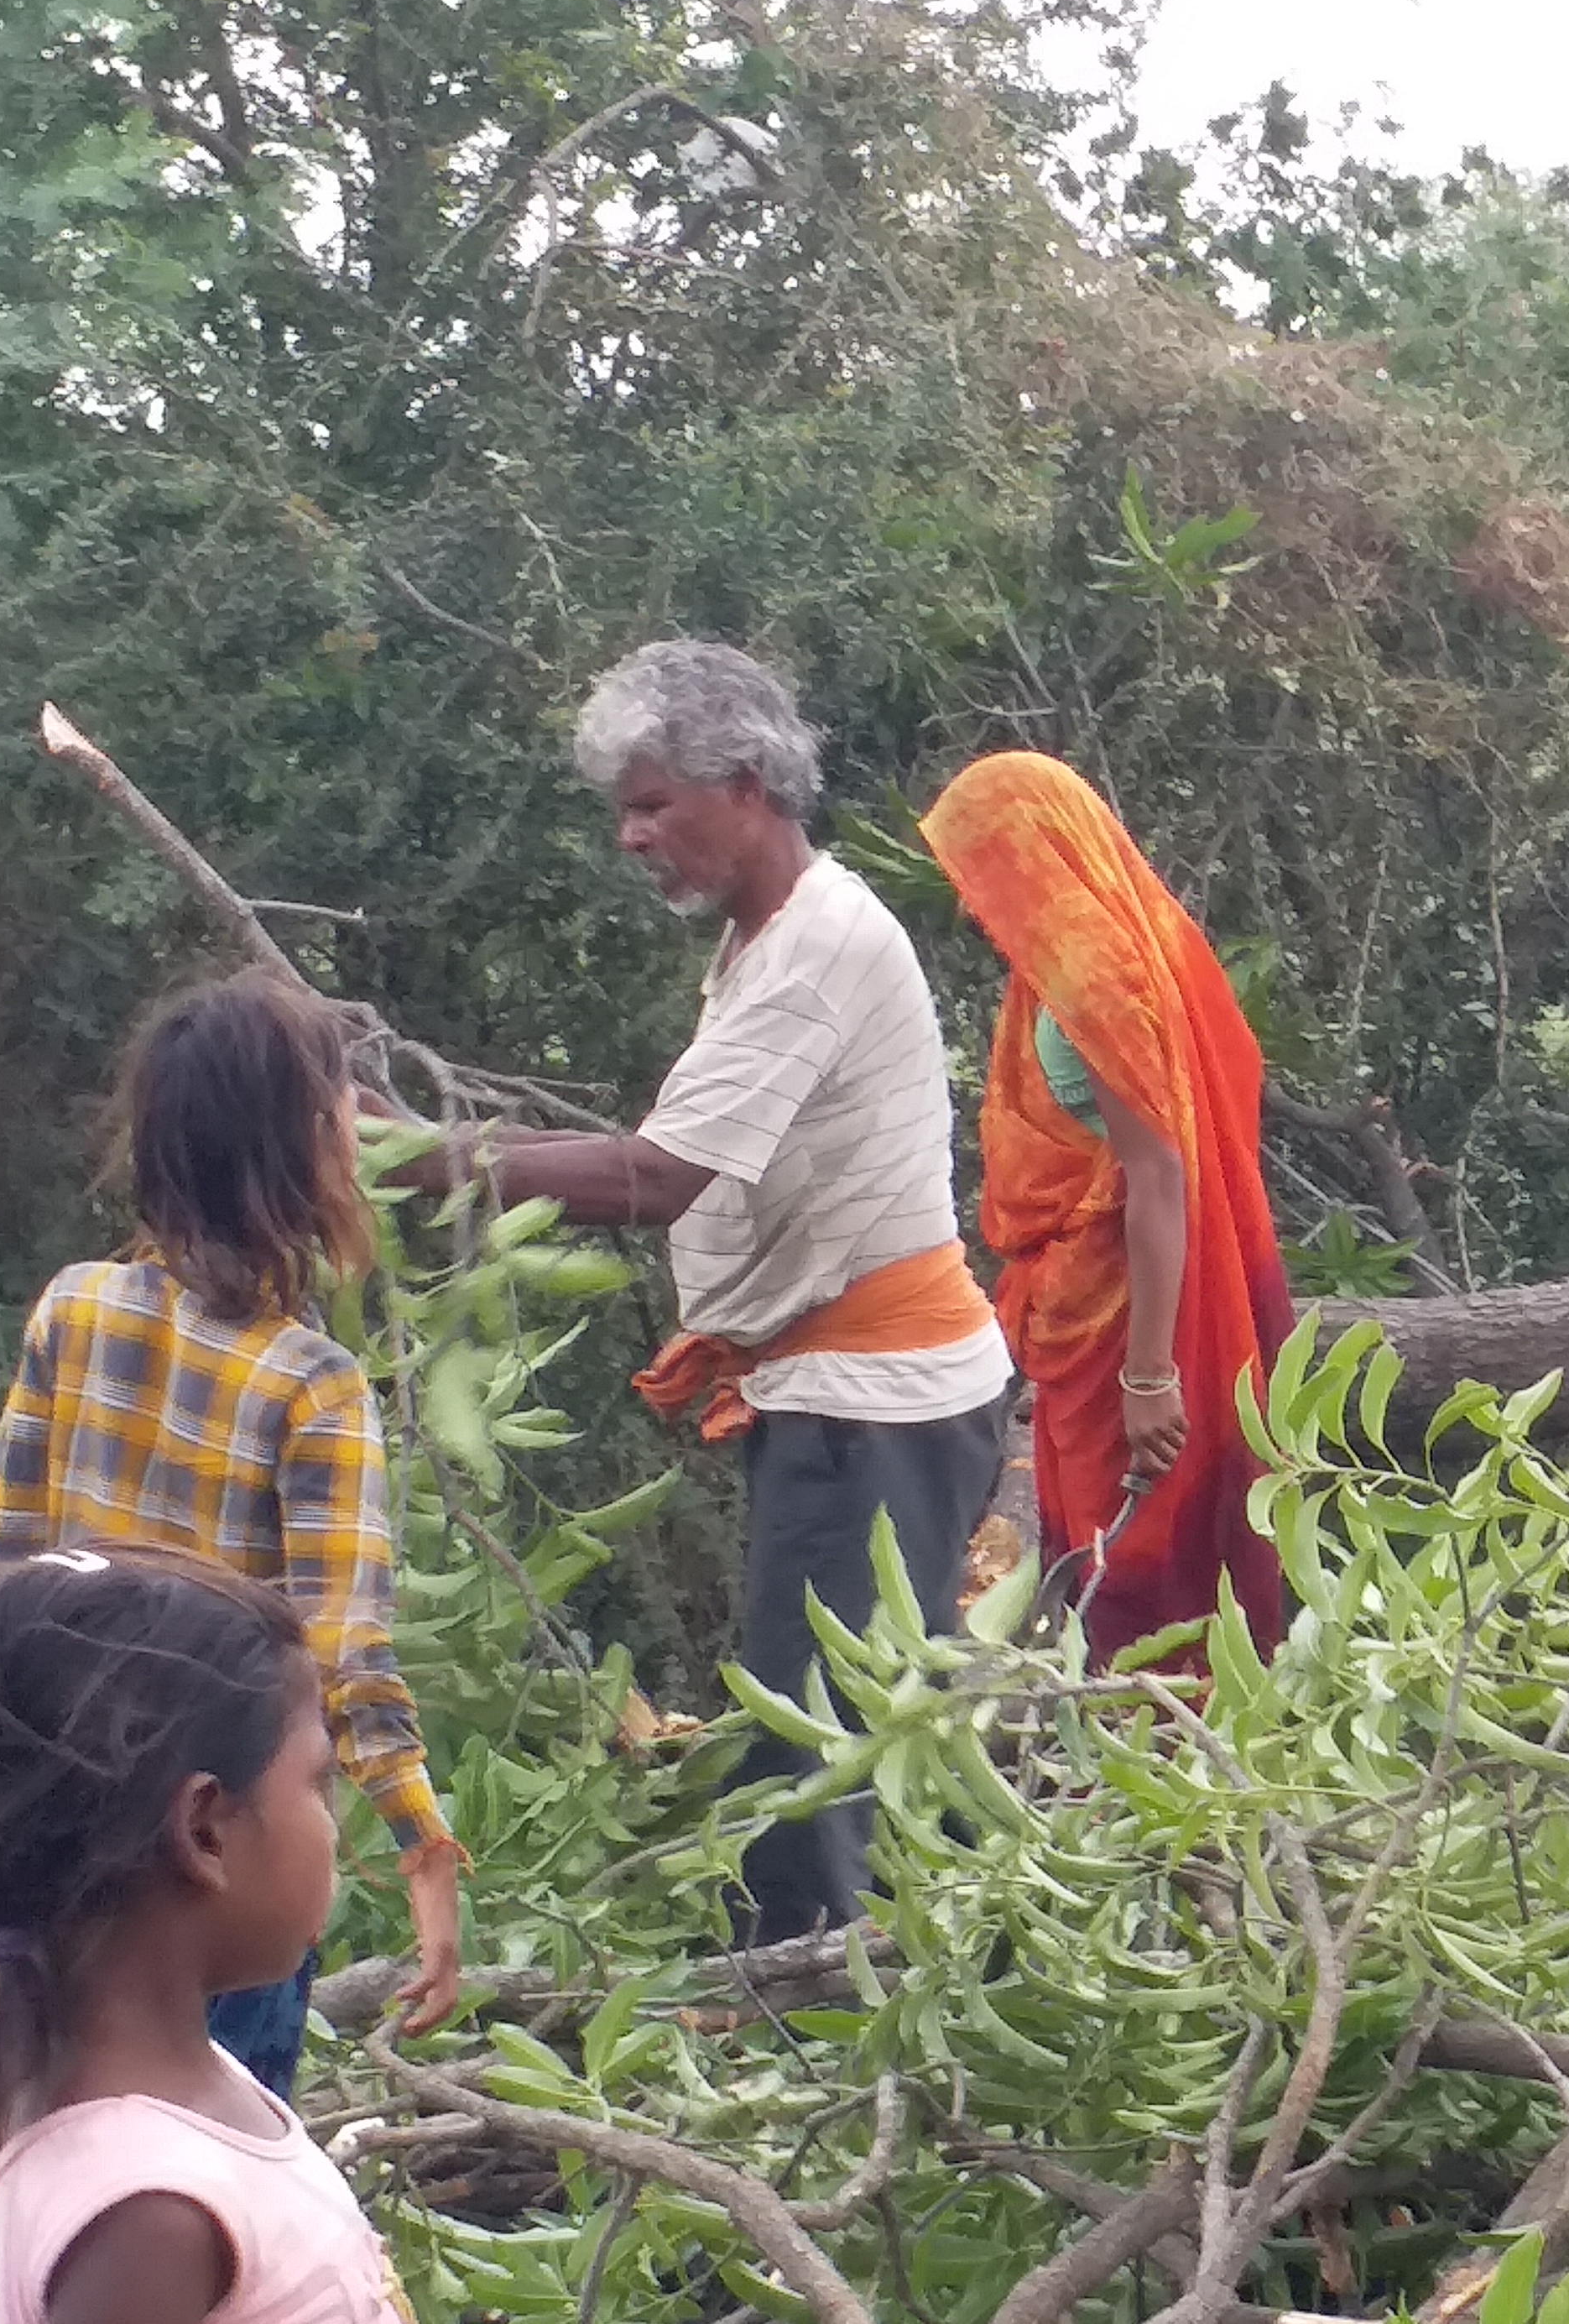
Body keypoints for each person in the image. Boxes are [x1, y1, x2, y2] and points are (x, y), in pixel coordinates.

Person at [420, 641, 1009, 1937]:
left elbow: (656, 1177)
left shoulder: (812, 951)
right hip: (852, 1392)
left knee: (809, 1750)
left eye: (651, 805)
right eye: (621, 811)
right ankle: (936, 1988)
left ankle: (809, 2040)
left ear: (745, 785)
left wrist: (415, 1160)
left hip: (874, 1401)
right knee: (882, 1719)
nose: (631, 839)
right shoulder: (771, 940)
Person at [0, 977, 464, 2092]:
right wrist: (426, 1853)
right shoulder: (312, 1385)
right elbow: (348, 1663)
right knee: (208, 2145)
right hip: (215, 1861)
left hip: (55, 1837)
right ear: (307, 1160)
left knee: (45, 2126)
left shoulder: (74, 1308)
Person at [0, 1548, 495, 2324]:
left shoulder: (133, 2076)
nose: (333, 1829)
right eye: (317, 1785)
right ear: (205, 1827)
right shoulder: (146, 2210)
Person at [919, 753, 1295, 1658]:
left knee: (1127, 1562)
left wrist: (1149, 1377)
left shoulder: (1095, 977)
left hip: (1128, 1317)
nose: (972, 900)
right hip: (1095, 1301)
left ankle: (1162, 1764)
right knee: (1103, 1555)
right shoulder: (1094, 953)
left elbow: (1160, 1175)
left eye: (982, 867)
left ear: (1033, 854)